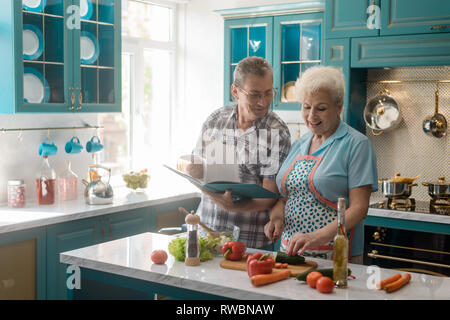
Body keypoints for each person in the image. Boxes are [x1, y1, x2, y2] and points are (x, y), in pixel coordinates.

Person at [264, 65, 378, 263]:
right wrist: (276, 218)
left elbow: (359, 208)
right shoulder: (299, 144)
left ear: (339, 106)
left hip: (335, 254)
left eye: (321, 108)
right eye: (306, 107)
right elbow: (284, 198)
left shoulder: (356, 144)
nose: (311, 116)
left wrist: (315, 237)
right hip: (289, 250)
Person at [187, 57, 291, 250]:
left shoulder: (277, 132)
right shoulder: (216, 119)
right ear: (235, 91)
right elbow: (199, 171)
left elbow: (270, 195)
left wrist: (233, 206)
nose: (263, 102)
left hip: (249, 244)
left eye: (268, 93)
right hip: (206, 234)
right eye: (254, 95)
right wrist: (192, 170)